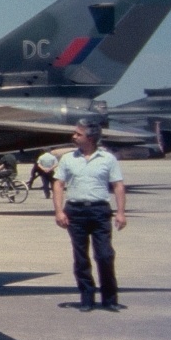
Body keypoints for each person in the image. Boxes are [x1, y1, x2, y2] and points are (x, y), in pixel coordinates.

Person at [53, 118, 126, 311]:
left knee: (104, 255)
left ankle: (109, 298)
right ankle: (87, 297)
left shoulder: (108, 159)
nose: (74, 136)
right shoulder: (68, 159)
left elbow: (118, 186)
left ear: (90, 138)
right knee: (81, 257)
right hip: (75, 212)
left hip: (99, 211)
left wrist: (120, 213)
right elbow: (58, 184)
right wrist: (59, 211)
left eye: (78, 134)